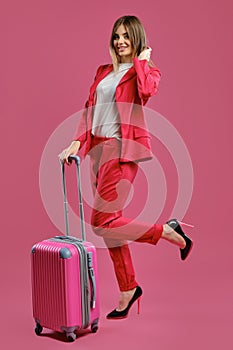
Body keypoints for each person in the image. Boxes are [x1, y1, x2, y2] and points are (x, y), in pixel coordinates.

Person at [59, 15, 193, 319]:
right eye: (117, 36)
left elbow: (146, 92)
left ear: (137, 40)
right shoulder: (103, 71)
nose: (120, 41)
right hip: (97, 153)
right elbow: (88, 110)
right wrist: (76, 144)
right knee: (111, 229)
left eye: (127, 37)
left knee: (102, 223)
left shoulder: (145, 71)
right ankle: (128, 288)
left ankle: (168, 232)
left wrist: (143, 62)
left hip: (121, 152)